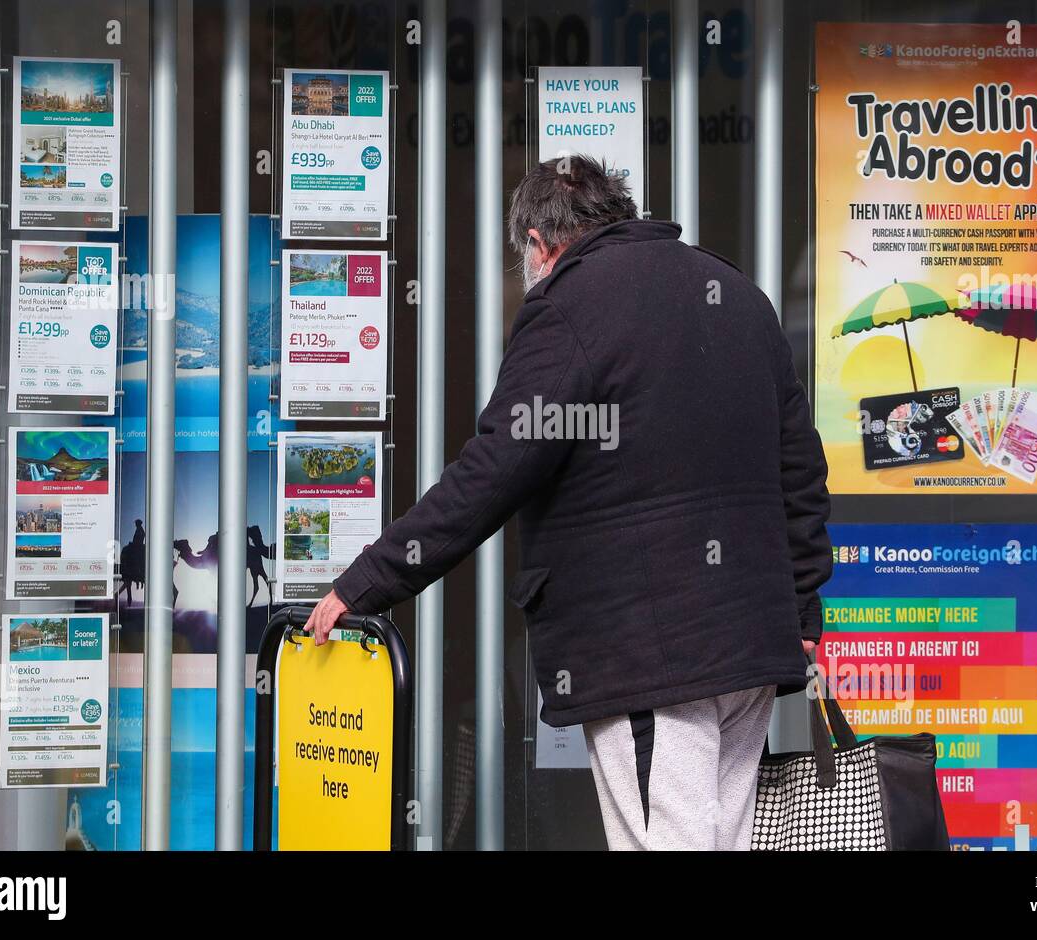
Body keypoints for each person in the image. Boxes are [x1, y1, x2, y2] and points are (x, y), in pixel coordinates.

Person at [307, 155, 832, 851]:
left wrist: (368, 580)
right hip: (749, 650)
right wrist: (800, 611)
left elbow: (494, 469)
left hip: (652, 652)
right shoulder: (735, 292)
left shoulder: (567, 308)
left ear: (537, 241)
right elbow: (799, 466)